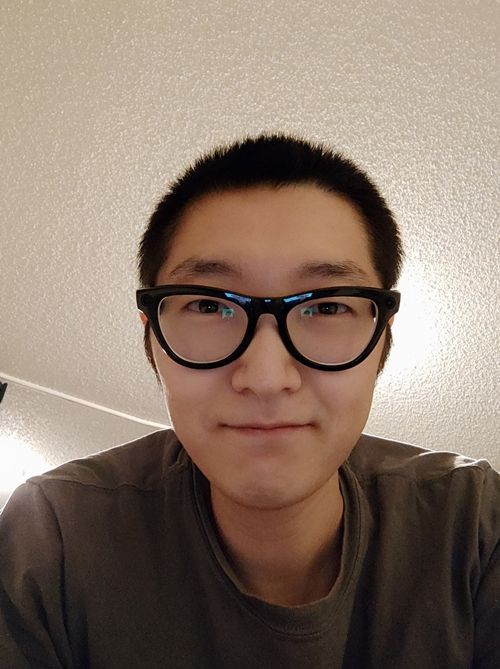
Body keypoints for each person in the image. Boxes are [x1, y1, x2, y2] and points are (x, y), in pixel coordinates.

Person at [0, 134, 498, 668]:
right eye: (208, 306)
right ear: (151, 338)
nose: (265, 377)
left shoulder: (471, 523)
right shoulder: (52, 537)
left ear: (383, 339)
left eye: (327, 308)